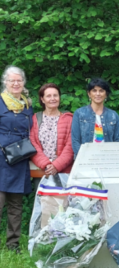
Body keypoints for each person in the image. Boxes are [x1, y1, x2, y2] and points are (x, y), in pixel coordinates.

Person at [0, 66, 34, 253]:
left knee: (16, 205)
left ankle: (12, 245)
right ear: (5, 82)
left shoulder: (27, 104)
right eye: (12, 80)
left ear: (23, 83)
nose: (15, 83)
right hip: (0, 158)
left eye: (19, 80)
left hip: (20, 158)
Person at [30, 83, 74, 187]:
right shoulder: (35, 119)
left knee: (64, 202)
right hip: (42, 171)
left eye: (55, 95)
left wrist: (56, 166)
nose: (53, 98)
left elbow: (70, 146)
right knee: (42, 202)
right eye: (48, 96)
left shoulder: (69, 119)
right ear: (42, 99)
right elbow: (32, 144)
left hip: (64, 172)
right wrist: (46, 165)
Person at [71, 78, 119, 157]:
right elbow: (75, 140)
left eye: (101, 91)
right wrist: (83, 158)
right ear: (89, 94)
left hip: (107, 160)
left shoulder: (113, 115)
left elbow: (118, 140)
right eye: (94, 90)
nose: (98, 94)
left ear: (106, 94)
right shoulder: (79, 113)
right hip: (84, 160)